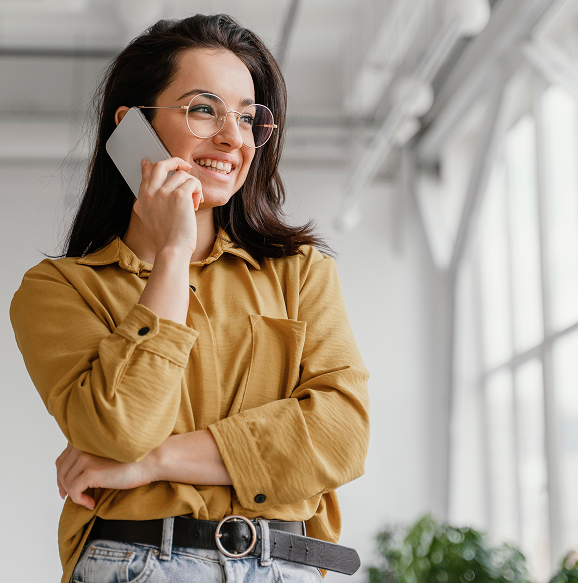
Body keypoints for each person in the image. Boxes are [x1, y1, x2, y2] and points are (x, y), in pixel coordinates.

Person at [10, 13, 370, 583]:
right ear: (132, 127)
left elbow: (342, 437)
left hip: (290, 566)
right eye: (204, 109)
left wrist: (155, 461)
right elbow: (118, 430)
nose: (234, 138)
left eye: (248, 118)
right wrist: (172, 253)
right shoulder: (60, 290)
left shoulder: (300, 273)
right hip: (137, 563)